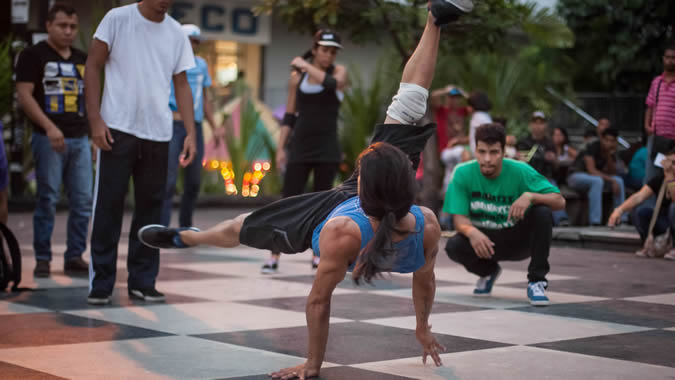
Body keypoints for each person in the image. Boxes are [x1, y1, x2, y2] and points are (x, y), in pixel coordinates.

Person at [138, 2, 474, 377]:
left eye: (361, 166)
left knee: (242, 225)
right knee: (409, 102)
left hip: (329, 210)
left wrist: (312, 366)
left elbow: (318, 301)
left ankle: (191, 239)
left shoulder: (343, 233)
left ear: (362, 185)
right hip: (369, 192)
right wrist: (422, 327)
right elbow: (424, 278)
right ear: (404, 182)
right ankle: (188, 239)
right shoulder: (425, 222)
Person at [84, 0, 197, 305]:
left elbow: (182, 83)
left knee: (152, 212)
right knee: (108, 207)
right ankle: (102, 282)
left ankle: (143, 280)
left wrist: (191, 132)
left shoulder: (176, 33)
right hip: (116, 129)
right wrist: (95, 119)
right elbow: (93, 65)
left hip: (158, 134)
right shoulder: (117, 19)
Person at [444, 123, 566, 306]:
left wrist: (531, 196)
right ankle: (488, 272)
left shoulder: (520, 170)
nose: (487, 159)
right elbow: (459, 220)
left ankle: (537, 281)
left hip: (517, 238)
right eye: (482, 151)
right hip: (484, 240)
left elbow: (559, 201)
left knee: (542, 212)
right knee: (454, 245)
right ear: (475, 150)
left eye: (494, 152)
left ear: (503, 152)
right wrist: (471, 232)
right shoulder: (462, 173)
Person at [262, 28, 349, 274]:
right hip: (300, 146)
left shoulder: (339, 72)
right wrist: (281, 148)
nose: (329, 55)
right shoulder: (296, 78)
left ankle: (317, 255)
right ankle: (274, 255)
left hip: (327, 148)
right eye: (324, 50)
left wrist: (303, 63)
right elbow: (289, 116)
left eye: (333, 51)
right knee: (288, 200)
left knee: (323, 203)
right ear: (315, 50)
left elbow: (333, 83)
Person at [15, 3, 91, 278]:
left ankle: (74, 256)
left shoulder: (83, 58)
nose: (69, 31)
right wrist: (49, 127)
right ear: (48, 25)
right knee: (47, 199)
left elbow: (91, 99)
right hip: (48, 139)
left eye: (73, 27)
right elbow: (24, 96)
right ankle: (43, 259)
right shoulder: (32, 56)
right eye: (62, 26)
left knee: (83, 201)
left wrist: (94, 135)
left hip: (80, 139)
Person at [161, 24, 224, 228]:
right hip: (173, 124)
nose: (193, 45)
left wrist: (214, 126)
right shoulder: (169, 61)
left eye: (196, 42)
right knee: (168, 180)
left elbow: (204, 99)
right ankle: (161, 227)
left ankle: (185, 226)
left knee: (194, 181)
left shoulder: (202, 65)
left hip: (194, 127)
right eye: (191, 40)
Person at [608, 148, 675, 261]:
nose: (670, 166)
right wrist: (619, 210)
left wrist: (671, 179)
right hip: (665, 223)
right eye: (668, 162)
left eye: (674, 163)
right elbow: (639, 196)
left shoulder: (669, 178)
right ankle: (649, 244)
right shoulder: (660, 179)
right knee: (641, 212)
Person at [517, 112, 569, 225]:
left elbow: (556, 167)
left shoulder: (550, 143)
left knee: (553, 190)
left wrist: (554, 160)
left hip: (546, 179)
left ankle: (561, 219)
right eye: (535, 122)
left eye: (541, 123)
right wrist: (520, 159)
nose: (538, 126)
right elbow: (520, 164)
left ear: (545, 125)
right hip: (528, 178)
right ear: (531, 124)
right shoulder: (523, 142)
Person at [567, 127, 626, 226]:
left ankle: (621, 219)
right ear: (601, 138)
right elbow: (592, 170)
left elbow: (612, 171)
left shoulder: (610, 151)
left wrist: (608, 154)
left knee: (619, 181)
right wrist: (611, 181)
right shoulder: (592, 145)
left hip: (593, 178)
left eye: (612, 141)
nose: (608, 143)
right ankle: (595, 221)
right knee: (598, 181)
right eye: (606, 140)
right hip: (575, 176)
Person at [645, 43, 675, 182]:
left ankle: (669, 203)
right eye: (668, 57)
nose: (670, 60)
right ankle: (649, 204)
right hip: (657, 135)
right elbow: (650, 105)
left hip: (673, 138)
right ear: (663, 59)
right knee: (652, 174)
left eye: (673, 58)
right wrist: (647, 125)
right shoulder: (656, 82)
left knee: (671, 175)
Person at [466, 91, 492, 156]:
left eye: (468, 105)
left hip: (479, 154)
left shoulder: (478, 116)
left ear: (473, 105)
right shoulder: (485, 115)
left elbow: (486, 134)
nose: (467, 107)